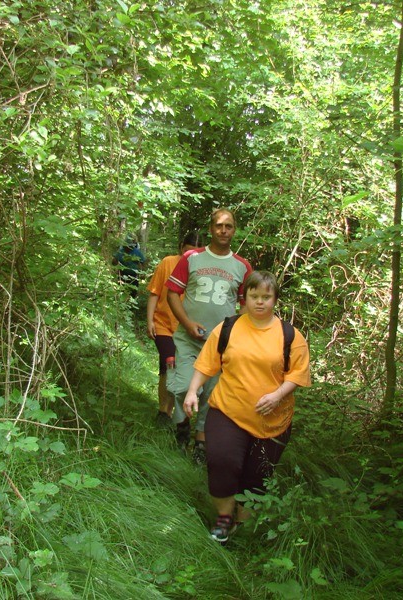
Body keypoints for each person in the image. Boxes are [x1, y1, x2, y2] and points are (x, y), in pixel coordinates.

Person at [183, 271, 310, 544]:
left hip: (272, 420)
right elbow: (206, 364)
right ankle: (224, 518)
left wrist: (277, 395)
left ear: (275, 299)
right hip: (228, 411)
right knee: (222, 461)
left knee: (257, 476)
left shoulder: (290, 335)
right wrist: (193, 390)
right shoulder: (227, 329)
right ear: (245, 297)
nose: (260, 302)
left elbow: (298, 374)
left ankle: (244, 524)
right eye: (254, 296)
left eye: (266, 297)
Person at [165, 208, 252, 463]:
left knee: (211, 395)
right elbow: (172, 294)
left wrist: (237, 334)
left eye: (229, 226)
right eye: (218, 226)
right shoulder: (191, 258)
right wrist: (188, 323)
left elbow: (245, 303)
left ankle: (200, 443)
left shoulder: (242, 266)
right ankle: (181, 426)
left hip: (220, 345)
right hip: (187, 337)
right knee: (182, 386)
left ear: (234, 230)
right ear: (211, 229)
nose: (223, 231)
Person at [146, 231, 205, 428]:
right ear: (181, 248)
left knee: (181, 368)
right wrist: (149, 320)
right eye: (187, 251)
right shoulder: (168, 263)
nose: (190, 256)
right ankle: (164, 410)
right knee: (168, 364)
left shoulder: (201, 269)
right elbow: (154, 292)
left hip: (185, 328)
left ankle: (173, 410)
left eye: (195, 252)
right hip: (163, 324)